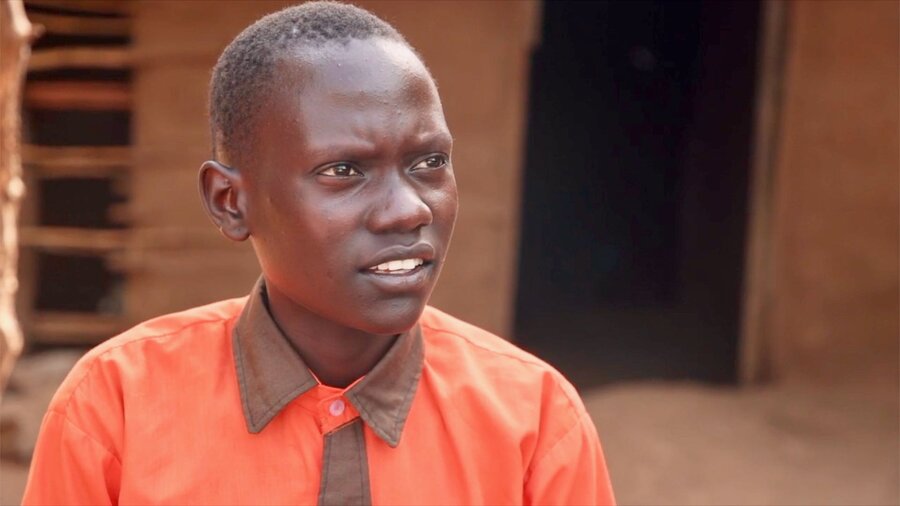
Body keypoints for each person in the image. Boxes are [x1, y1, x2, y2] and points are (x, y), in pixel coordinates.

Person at [22, 2, 615, 504]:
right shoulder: (114, 406)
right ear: (231, 201)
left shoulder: (534, 421)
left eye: (429, 162)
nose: (409, 209)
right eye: (344, 170)